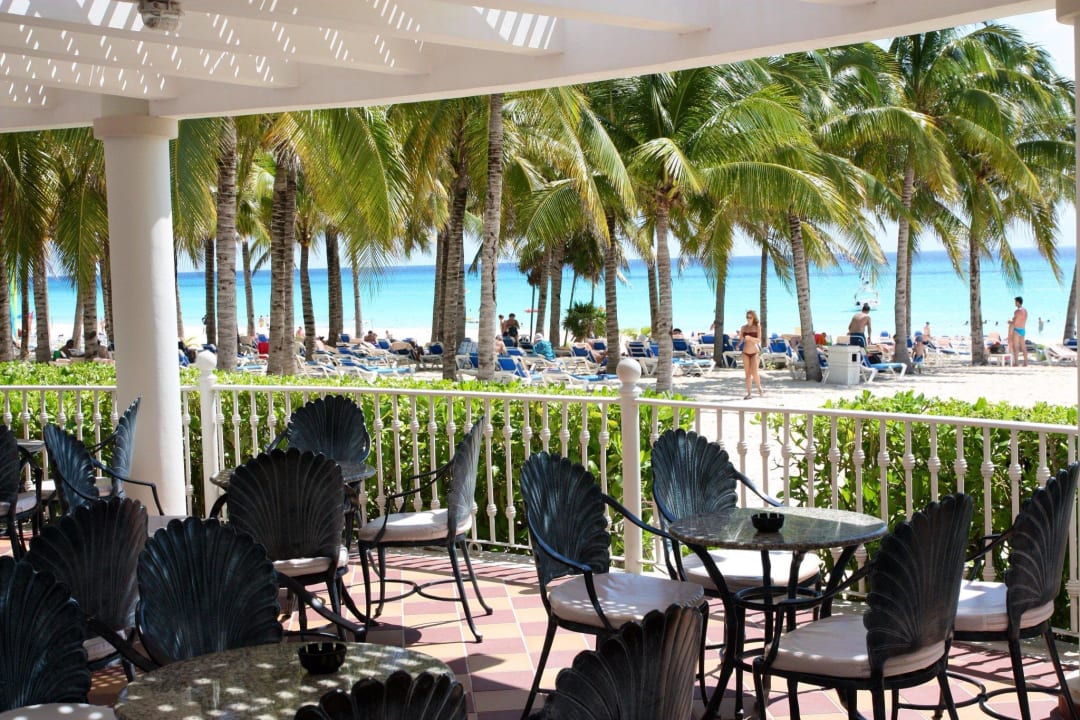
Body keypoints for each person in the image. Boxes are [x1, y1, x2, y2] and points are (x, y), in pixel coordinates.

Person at [739, 310, 763, 399]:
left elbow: (759, 340)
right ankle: (749, 393)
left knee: (754, 372)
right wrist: (738, 345)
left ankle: (759, 387)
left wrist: (750, 338)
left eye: (750, 317)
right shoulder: (743, 328)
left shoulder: (757, 327)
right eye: (747, 317)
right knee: (747, 373)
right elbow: (741, 339)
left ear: (754, 318)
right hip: (745, 352)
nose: (748, 319)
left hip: (754, 352)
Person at [1011, 296, 1028, 367]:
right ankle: (1025, 363)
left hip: (1017, 330)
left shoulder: (1017, 311)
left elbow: (1014, 322)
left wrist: (1010, 322)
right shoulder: (1025, 311)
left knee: (1016, 347)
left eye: (1015, 302)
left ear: (1018, 302)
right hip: (1023, 330)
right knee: (1023, 347)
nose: (1015, 303)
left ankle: (1016, 363)